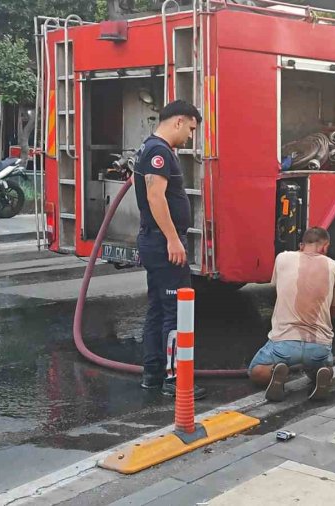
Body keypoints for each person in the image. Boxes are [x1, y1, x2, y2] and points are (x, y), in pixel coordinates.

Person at [134, 99, 206, 399]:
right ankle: (175, 379)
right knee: (175, 312)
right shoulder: (159, 151)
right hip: (164, 243)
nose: (190, 136)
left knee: (157, 308)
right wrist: (173, 239)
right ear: (178, 121)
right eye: (190, 128)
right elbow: (155, 196)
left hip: (154, 241)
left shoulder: (150, 149)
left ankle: (152, 374)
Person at [248, 227, 335, 402]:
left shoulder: (283, 258)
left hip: (284, 343)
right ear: (325, 247)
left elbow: (276, 291)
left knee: (256, 370)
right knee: (321, 365)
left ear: (301, 245)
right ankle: (321, 374)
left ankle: (276, 373)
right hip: (318, 345)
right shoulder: (333, 267)